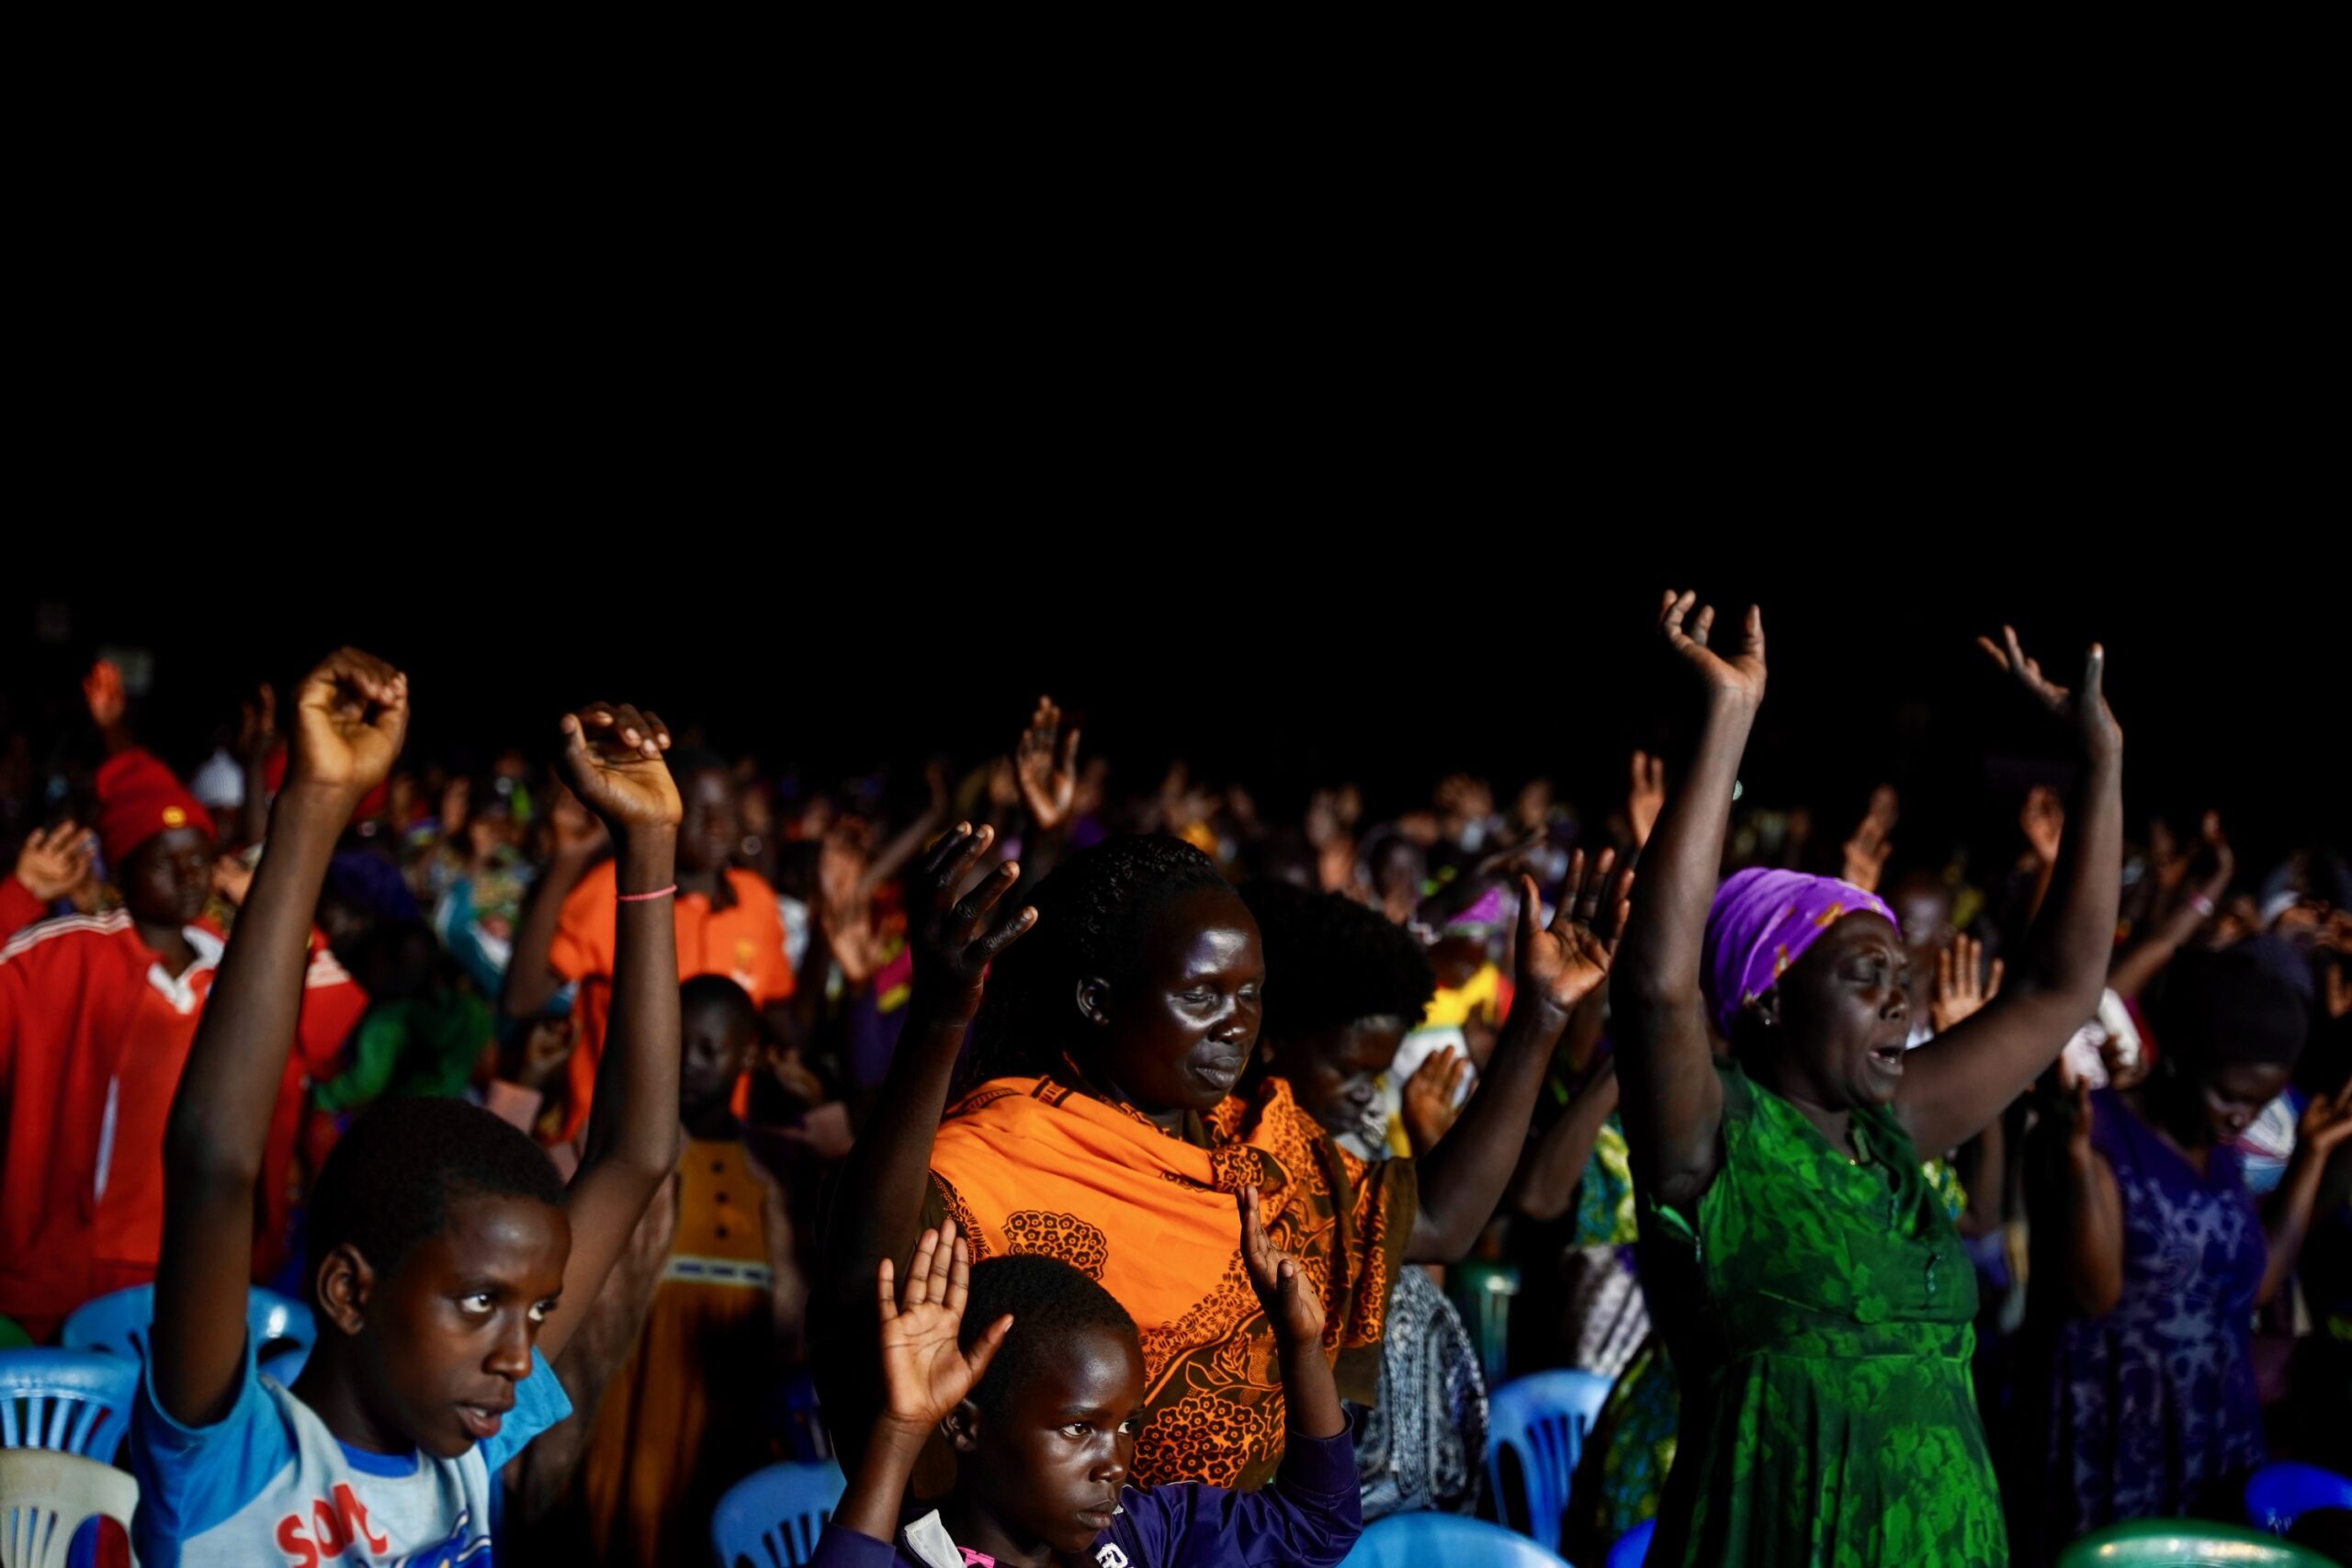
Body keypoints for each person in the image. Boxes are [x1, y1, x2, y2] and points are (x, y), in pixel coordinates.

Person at [820, 825, 1623, 1492]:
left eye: (1250, 994)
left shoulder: (1262, 1143)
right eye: (1200, 995)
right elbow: (865, 1271)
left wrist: (1542, 1015)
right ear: (1098, 1000)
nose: (1235, 1024)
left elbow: (1440, 1219)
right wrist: (938, 1021)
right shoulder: (1002, 1152)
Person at [129, 659, 686, 1564]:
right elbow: (213, 1163)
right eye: (483, 1301)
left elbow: (634, 1155)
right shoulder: (232, 1462)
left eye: (537, 1312)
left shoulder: (462, 1446)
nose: (519, 1358)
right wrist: (314, 803)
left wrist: (650, 846)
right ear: (350, 1291)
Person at [1610, 595, 2123, 1566]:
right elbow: (1653, 988)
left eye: (1900, 977)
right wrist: (1729, 715)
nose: (1900, 999)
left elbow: (2057, 991)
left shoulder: (1892, 1133)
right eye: (1863, 977)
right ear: (1767, 998)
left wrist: (2099, 761)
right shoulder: (1713, 1140)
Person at [2009, 942, 2352, 1561]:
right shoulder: (2096, 1130)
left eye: (2260, 1103)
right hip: (2114, 1431)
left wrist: (2312, 1154)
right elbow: (2095, 1293)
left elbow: (2252, 1286)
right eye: (2230, 1095)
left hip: (2211, 1432)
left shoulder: (2217, 1155)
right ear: (2181, 1056)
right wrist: (2077, 1159)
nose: (2242, 1118)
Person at [812, 1196, 1362, 1567]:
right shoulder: (922, 1558)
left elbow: (1316, 1526)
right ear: (964, 1425)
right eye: (1079, 1428)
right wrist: (903, 1427)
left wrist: (1303, 1348)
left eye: (1127, 1427)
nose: (1114, 1464)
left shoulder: (1139, 1533)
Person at [506, 974, 807, 1567]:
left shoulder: (780, 1162)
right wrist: (525, 1088)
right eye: (679, 1044)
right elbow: (510, 1195)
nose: (690, 1063)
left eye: (710, 1049)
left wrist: (817, 1103)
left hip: (727, 1412)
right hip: (622, 1410)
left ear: (748, 1054)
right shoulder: (619, 1154)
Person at [1236, 877, 1487, 1520]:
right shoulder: (1256, 1165)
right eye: (1348, 1070)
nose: (1365, 1094)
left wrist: (1429, 1146)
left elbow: (1417, 1260)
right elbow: (1438, 1230)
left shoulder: (1355, 1139)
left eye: (1376, 1075)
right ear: (1274, 1038)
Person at [503, 742, 796, 1145]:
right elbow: (521, 1000)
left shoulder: (755, 900)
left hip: (712, 1152)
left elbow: (788, 1023)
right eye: (699, 810)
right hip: (608, 1143)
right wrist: (567, 862)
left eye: (725, 810)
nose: (716, 826)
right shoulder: (615, 887)